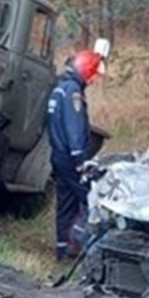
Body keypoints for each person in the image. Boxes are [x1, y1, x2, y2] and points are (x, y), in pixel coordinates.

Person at [46, 49, 105, 260]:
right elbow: (74, 129)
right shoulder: (73, 93)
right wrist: (81, 161)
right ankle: (87, 250)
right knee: (92, 201)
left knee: (66, 204)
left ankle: (63, 249)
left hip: (58, 156)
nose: (92, 81)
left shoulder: (59, 89)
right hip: (72, 160)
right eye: (93, 76)